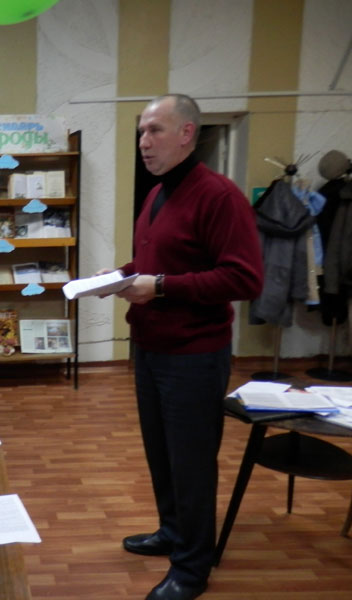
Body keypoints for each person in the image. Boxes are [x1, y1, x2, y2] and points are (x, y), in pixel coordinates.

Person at [103, 94, 263, 600]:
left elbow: (244, 277)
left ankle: (192, 569)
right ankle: (173, 532)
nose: (144, 142)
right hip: (152, 347)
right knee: (162, 455)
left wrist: (160, 286)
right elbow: (157, 262)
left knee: (192, 463)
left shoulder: (219, 196)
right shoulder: (157, 193)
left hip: (194, 354)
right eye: (141, 132)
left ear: (187, 133)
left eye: (154, 130)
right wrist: (118, 276)